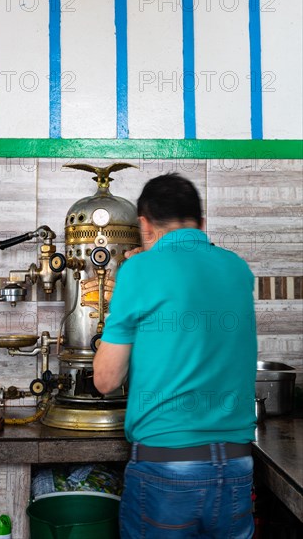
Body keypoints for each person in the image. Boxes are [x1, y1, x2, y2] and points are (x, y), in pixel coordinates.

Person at [93, 173, 257, 539]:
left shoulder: (138, 270)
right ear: (202, 223)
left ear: (144, 226)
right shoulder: (238, 269)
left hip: (166, 470)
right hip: (236, 467)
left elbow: (105, 381)